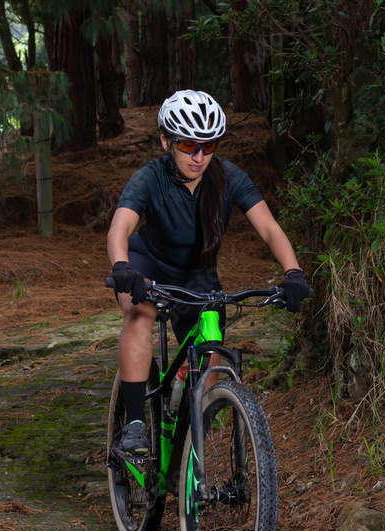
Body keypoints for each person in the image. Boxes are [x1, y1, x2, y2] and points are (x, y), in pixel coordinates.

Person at [107, 89, 311, 456]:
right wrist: (122, 267)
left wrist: (293, 271)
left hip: (197, 274)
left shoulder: (229, 177)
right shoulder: (150, 177)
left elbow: (268, 227)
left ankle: (183, 434)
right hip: (146, 265)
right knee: (139, 315)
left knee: (211, 346)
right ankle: (136, 423)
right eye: (188, 145)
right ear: (166, 140)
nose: (199, 156)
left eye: (209, 145)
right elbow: (120, 227)